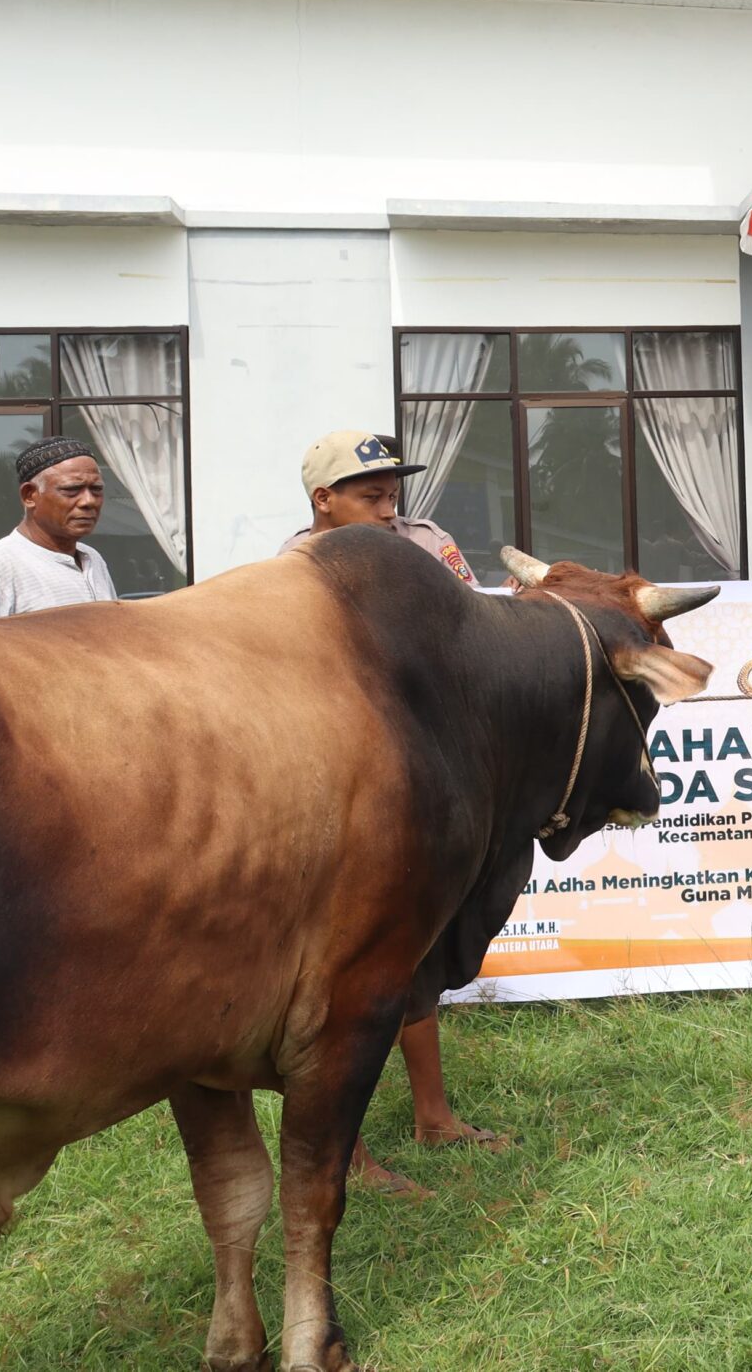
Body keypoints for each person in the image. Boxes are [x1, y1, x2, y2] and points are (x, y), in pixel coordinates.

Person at [279, 429, 503, 1197]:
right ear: (323, 501)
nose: (387, 507)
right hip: (337, 780)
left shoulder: (427, 543)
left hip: (425, 767)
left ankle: (434, 1115)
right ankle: (344, 1152)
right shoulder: (290, 571)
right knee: (347, 970)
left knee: (415, 948)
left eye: (391, 491)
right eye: (368, 495)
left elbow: (475, 632)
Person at [0, 435, 119, 618]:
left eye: (96, 489)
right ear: (29, 495)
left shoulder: (93, 560)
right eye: (72, 490)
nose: (88, 501)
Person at [276, 429, 478, 584]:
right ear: (323, 499)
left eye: (392, 496)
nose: (390, 512)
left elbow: (473, 617)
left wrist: (501, 601)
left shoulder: (426, 543)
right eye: (372, 498)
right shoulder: (293, 556)